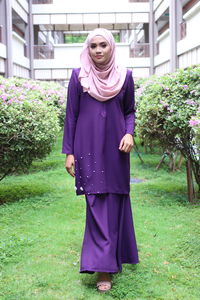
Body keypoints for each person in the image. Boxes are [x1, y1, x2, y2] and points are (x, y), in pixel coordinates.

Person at [62, 28, 139, 293]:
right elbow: (71, 115)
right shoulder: (79, 77)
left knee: (116, 201)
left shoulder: (125, 76)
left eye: (102, 45)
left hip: (117, 149)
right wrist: (69, 152)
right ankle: (103, 269)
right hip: (88, 149)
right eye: (93, 45)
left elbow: (129, 110)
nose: (97, 50)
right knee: (96, 203)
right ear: (88, 49)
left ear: (111, 47)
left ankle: (121, 254)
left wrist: (129, 132)